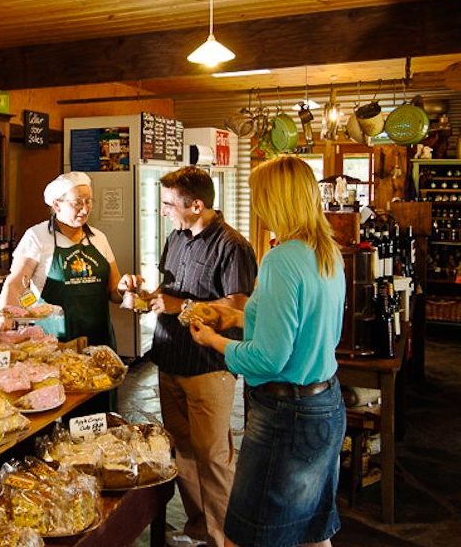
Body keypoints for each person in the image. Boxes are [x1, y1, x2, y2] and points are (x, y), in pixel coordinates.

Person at [189, 156, 347, 547]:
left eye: (259, 195)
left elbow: (269, 358)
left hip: (285, 415)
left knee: (243, 536)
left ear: (276, 199)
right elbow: (306, 329)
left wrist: (213, 340)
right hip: (326, 405)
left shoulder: (281, 259)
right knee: (313, 532)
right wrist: (238, 318)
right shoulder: (326, 251)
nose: (256, 205)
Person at [120, 166, 257, 547]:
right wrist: (145, 296)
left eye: (169, 204)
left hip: (208, 368)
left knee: (213, 458)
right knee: (182, 454)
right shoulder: (176, 237)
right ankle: (199, 527)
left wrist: (177, 304)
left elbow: (238, 307)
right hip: (169, 360)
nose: (163, 210)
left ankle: (225, 539)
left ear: (197, 205)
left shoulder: (234, 246)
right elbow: (169, 289)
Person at [0, 171, 125, 347]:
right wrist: (5, 318)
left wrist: (126, 290)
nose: (85, 208)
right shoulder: (37, 236)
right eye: (77, 203)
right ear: (57, 205)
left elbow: (114, 290)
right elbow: (16, 283)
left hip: (99, 339)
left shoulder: (99, 238)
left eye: (88, 201)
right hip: (53, 342)